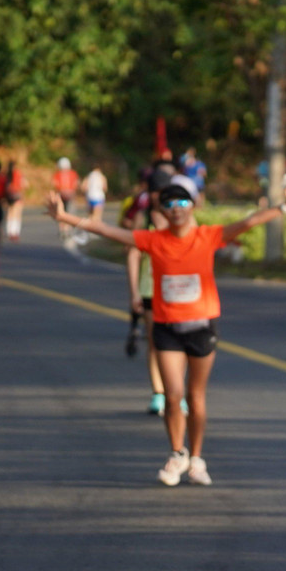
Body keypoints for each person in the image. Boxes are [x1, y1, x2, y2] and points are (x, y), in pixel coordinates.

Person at [48, 182, 286, 485]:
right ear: (162, 211)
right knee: (173, 395)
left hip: (202, 327)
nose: (176, 210)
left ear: (192, 207)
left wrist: (284, 206)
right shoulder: (152, 240)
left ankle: (196, 459)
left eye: (182, 204)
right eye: (170, 205)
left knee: (196, 396)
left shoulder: (208, 236)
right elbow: (108, 232)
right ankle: (177, 453)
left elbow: (248, 222)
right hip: (167, 329)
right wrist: (65, 217)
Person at [124, 169, 169, 414]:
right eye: (155, 191)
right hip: (149, 289)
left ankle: (175, 393)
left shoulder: (179, 216)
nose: (159, 196)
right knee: (156, 342)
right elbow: (133, 254)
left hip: (177, 291)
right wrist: (134, 293)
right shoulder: (144, 218)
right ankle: (158, 393)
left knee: (178, 345)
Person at [52, 158, 80, 241]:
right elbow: (76, 183)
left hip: (61, 194)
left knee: (60, 212)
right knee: (69, 213)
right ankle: (68, 230)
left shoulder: (57, 174)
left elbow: (54, 183)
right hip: (70, 194)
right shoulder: (73, 173)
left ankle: (62, 230)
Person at [4, 160, 26, 241]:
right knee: (17, 214)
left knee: (9, 213)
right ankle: (15, 231)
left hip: (8, 196)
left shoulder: (6, 174)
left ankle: (9, 231)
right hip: (17, 195)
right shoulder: (18, 173)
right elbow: (24, 184)